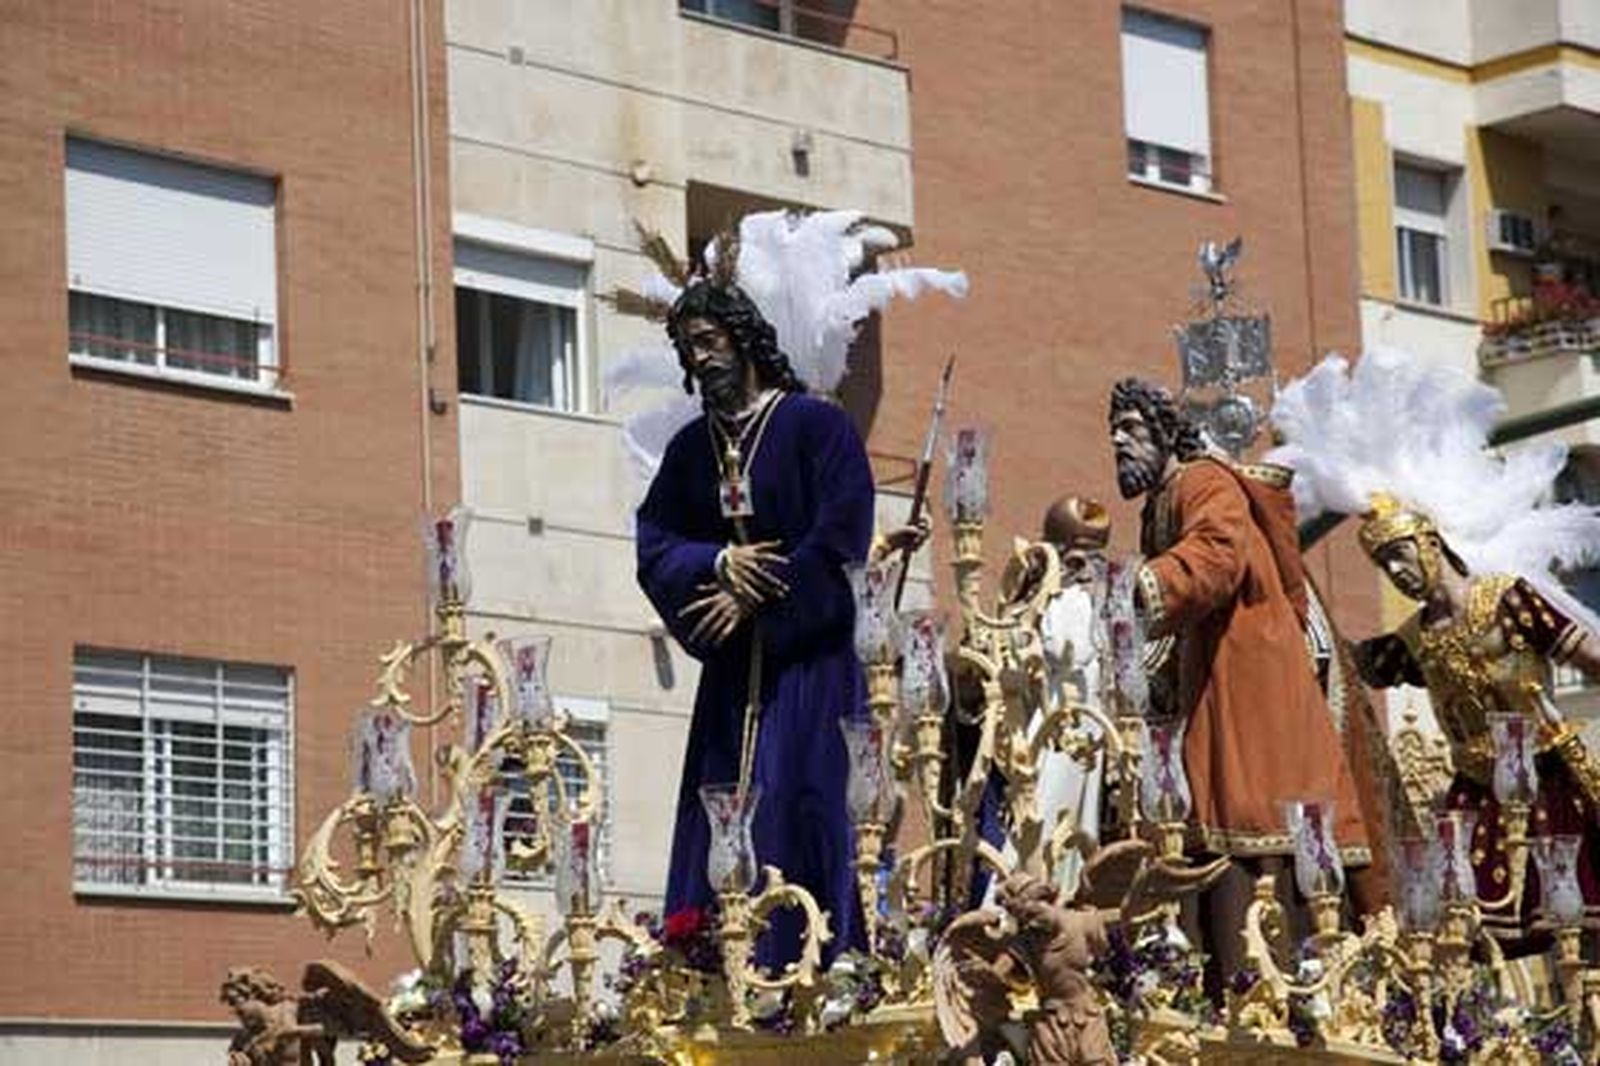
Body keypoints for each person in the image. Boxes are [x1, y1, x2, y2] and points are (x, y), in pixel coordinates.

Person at [636, 279, 875, 965]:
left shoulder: (815, 425)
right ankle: (713, 972)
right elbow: (655, 543)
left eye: (709, 341)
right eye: (688, 347)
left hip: (812, 672)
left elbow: (840, 538)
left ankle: (812, 973)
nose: (700, 357)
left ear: (744, 339)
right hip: (732, 680)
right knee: (720, 817)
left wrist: (758, 596)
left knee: (801, 811)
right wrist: (715, 564)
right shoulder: (691, 451)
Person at [1108, 378, 1372, 985]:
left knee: (1248, 802)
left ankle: (1260, 971)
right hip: (1208, 674)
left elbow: (1217, 554)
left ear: (1164, 430)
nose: (1118, 441)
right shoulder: (1165, 498)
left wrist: (1141, 588)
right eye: (1112, 432)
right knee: (1201, 804)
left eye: (1131, 427)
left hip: (1246, 672)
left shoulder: (1204, 480)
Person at [1352, 495, 1600, 944]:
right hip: (1475, 795)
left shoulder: (1509, 599)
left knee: (1577, 917)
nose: (1394, 573)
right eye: (1382, 565)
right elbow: (1350, 663)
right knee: (1460, 931)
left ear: (1429, 542)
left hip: (1549, 781)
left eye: (1397, 555)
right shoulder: (1412, 641)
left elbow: (1590, 655)